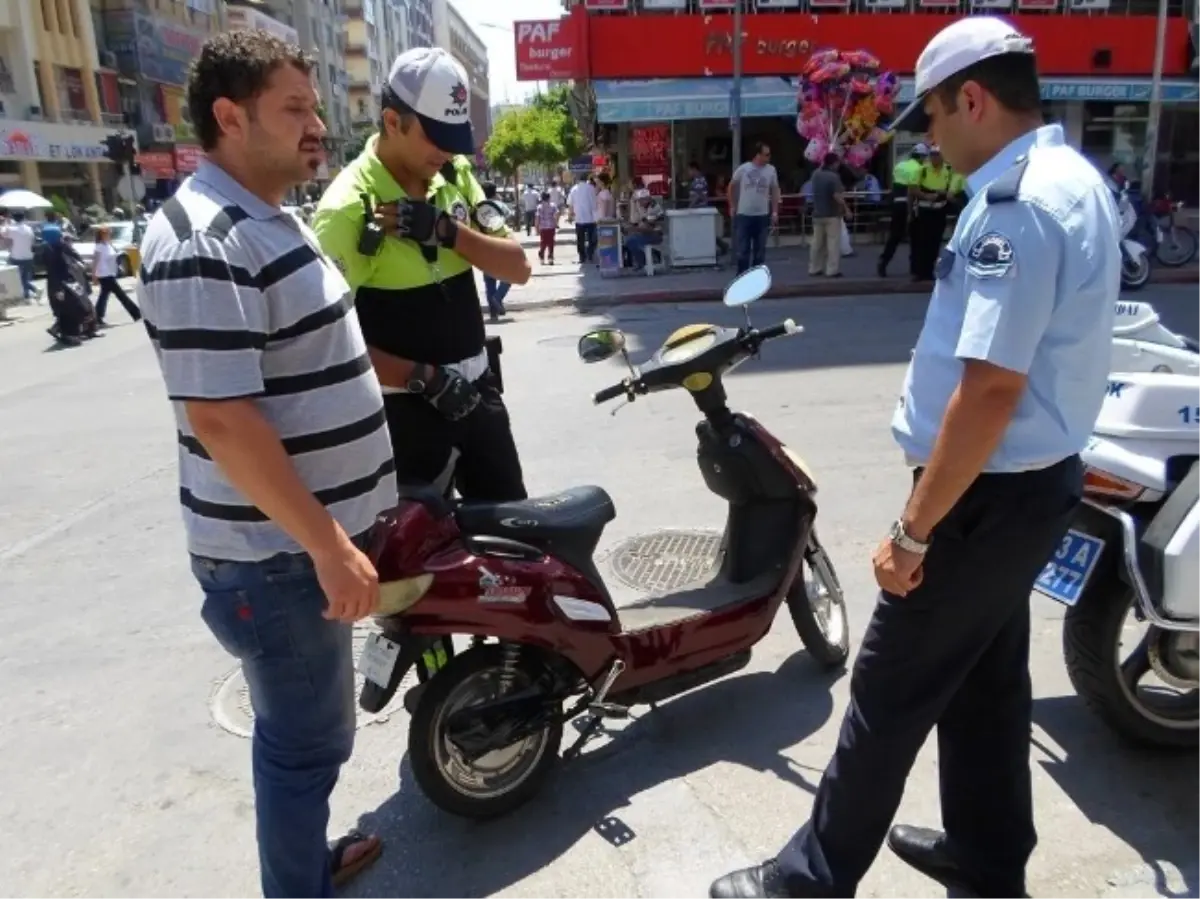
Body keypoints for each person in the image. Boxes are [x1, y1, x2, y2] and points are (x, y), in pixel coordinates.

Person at [711, 17, 1119, 899]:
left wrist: (914, 527)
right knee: (985, 682)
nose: (928, 138)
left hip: (984, 496)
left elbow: (990, 391)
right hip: (1024, 486)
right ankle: (986, 853)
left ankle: (808, 881)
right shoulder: (1071, 178)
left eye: (932, 117)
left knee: (889, 686)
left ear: (973, 98)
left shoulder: (1018, 204)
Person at [136, 31, 395, 898]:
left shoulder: (263, 212)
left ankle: (303, 865)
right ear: (229, 116)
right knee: (303, 741)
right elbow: (221, 418)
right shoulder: (203, 235)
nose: (317, 126)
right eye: (294, 108)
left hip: (293, 551)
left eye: (316, 107)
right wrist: (326, 543)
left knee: (309, 734)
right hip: (275, 560)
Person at [312, 46, 531, 502]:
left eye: (455, 136)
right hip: (403, 416)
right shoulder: (345, 209)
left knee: (515, 540)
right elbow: (322, 345)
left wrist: (447, 232)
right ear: (393, 122)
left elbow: (519, 267)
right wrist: (424, 378)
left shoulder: (454, 176)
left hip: (478, 396)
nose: (448, 150)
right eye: (436, 136)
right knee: (422, 563)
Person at [728, 142, 781, 274]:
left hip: (762, 215)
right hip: (744, 214)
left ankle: (755, 279)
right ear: (758, 155)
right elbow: (731, 186)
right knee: (743, 250)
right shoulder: (744, 169)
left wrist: (775, 211)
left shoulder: (771, 170)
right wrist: (732, 205)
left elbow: (775, 190)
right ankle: (741, 277)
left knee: (760, 251)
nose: (769, 157)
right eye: (766, 154)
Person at [878, 144, 928, 278]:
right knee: (916, 237)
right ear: (922, 157)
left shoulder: (899, 166)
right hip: (911, 204)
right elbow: (914, 189)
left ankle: (883, 262)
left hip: (897, 203)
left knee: (894, 236)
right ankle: (914, 268)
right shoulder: (920, 169)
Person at [911, 145, 952, 280]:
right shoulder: (922, 170)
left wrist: (944, 193)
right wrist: (926, 196)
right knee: (922, 241)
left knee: (935, 242)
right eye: (932, 155)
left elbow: (952, 191)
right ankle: (919, 272)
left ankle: (929, 271)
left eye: (937, 155)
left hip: (940, 210)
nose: (935, 158)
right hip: (924, 210)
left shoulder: (948, 171)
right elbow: (913, 189)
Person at [808, 152, 849, 278]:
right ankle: (832, 270)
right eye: (837, 163)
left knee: (817, 243)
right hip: (832, 214)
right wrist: (847, 209)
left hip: (817, 213)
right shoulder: (833, 177)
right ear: (834, 163)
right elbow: (837, 196)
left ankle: (814, 268)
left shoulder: (815, 174)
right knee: (833, 243)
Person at [91, 225, 141, 326]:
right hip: (104, 275)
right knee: (120, 294)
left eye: (109, 233)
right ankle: (136, 314)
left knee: (104, 296)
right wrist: (94, 275)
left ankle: (96, 318)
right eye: (107, 233)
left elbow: (114, 258)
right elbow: (95, 261)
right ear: (101, 235)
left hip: (111, 273)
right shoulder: (99, 247)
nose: (109, 235)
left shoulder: (108, 245)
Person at [480, 181, 511, 321]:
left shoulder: (479, 207)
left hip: (485, 247)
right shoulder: (500, 205)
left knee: (489, 281)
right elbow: (508, 218)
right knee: (508, 277)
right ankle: (497, 298)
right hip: (501, 245)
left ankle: (493, 312)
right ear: (495, 191)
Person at [1, 210, 38, 300]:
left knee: (17, 278)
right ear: (23, 218)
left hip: (16, 257)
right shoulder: (29, 229)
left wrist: (5, 222)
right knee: (24, 277)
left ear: (14, 219)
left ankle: (32, 291)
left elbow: (3, 236)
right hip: (29, 257)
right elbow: (33, 240)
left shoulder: (11, 229)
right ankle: (28, 295)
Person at [623, 189, 664, 270]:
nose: (639, 202)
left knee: (631, 241)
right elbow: (639, 221)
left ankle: (642, 261)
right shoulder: (645, 206)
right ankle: (644, 260)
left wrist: (633, 229)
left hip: (655, 234)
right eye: (639, 200)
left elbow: (648, 228)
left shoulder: (653, 207)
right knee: (629, 240)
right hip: (649, 233)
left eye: (641, 200)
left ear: (647, 198)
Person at [567, 175, 598, 263]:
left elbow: (570, 204)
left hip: (579, 219)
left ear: (578, 180)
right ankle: (590, 253)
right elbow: (594, 204)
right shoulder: (591, 188)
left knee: (580, 239)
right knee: (592, 238)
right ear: (586, 179)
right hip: (590, 218)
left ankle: (582, 256)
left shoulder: (573, 189)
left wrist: (570, 216)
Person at [535, 190, 559, 264]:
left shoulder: (539, 207)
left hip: (543, 227)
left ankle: (542, 256)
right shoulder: (553, 206)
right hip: (551, 227)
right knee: (551, 242)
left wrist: (536, 228)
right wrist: (556, 223)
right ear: (549, 198)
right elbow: (557, 214)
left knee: (543, 242)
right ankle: (550, 258)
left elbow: (537, 218)